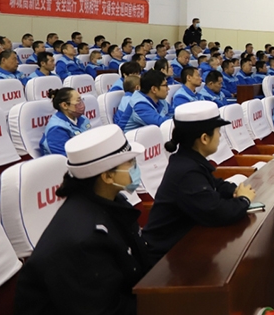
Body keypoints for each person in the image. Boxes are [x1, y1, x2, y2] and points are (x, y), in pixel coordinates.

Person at [14, 125, 152, 315]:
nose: (136, 168)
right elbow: (105, 309)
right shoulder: (84, 240)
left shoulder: (114, 202)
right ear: (107, 176)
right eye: (131, 163)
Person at [143, 102, 256, 262]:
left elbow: (215, 184)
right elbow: (217, 212)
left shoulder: (189, 161)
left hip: (182, 245)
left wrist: (234, 190)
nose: (220, 136)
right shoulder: (186, 172)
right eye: (218, 132)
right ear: (204, 138)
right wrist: (244, 200)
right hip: (165, 258)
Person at [41, 87, 94, 156]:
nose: (81, 104)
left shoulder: (82, 118)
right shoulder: (56, 129)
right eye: (78, 101)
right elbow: (64, 158)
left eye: (81, 99)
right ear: (65, 105)